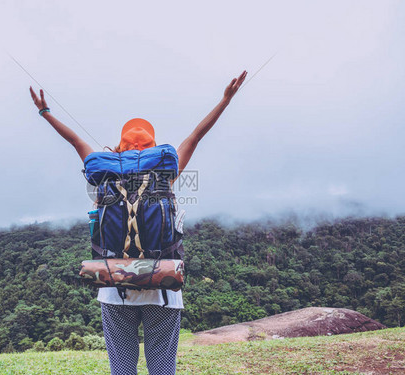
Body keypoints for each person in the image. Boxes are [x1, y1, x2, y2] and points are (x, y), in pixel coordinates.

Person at [30, 70, 247, 375]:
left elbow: (75, 140)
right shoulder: (164, 175)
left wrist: (45, 113)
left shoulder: (105, 174)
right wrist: (225, 100)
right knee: (161, 369)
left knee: (122, 369)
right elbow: (196, 135)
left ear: (119, 148)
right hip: (164, 288)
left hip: (113, 286)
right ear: (153, 148)